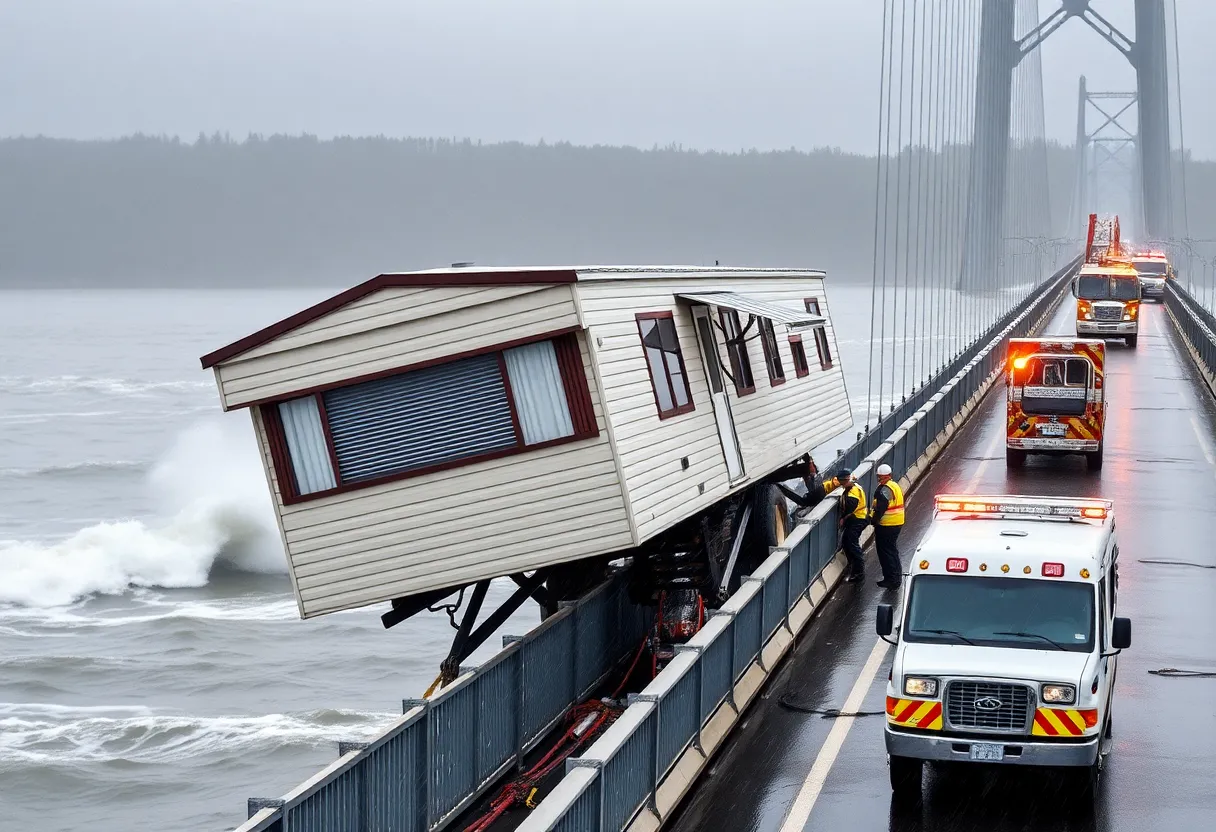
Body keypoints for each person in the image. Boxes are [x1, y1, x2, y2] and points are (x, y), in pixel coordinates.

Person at [870, 463, 905, 590]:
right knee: (892, 551)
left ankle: (892, 580)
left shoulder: (883, 490)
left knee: (886, 552)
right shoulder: (894, 485)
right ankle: (895, 578)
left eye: (880, 477)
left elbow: (880, 509)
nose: (880, 479)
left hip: (887, 525)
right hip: (896, 522)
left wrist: (873, 521)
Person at [836, 469, 868, 583]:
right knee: (846, 542)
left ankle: (859, 572)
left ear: (843, 480)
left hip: (858, 519)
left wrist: (843, 517)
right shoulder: (855, 486)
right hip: (859, 518)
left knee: (852, 544)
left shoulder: (852, 493)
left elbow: (851, 507)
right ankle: (853, 566)